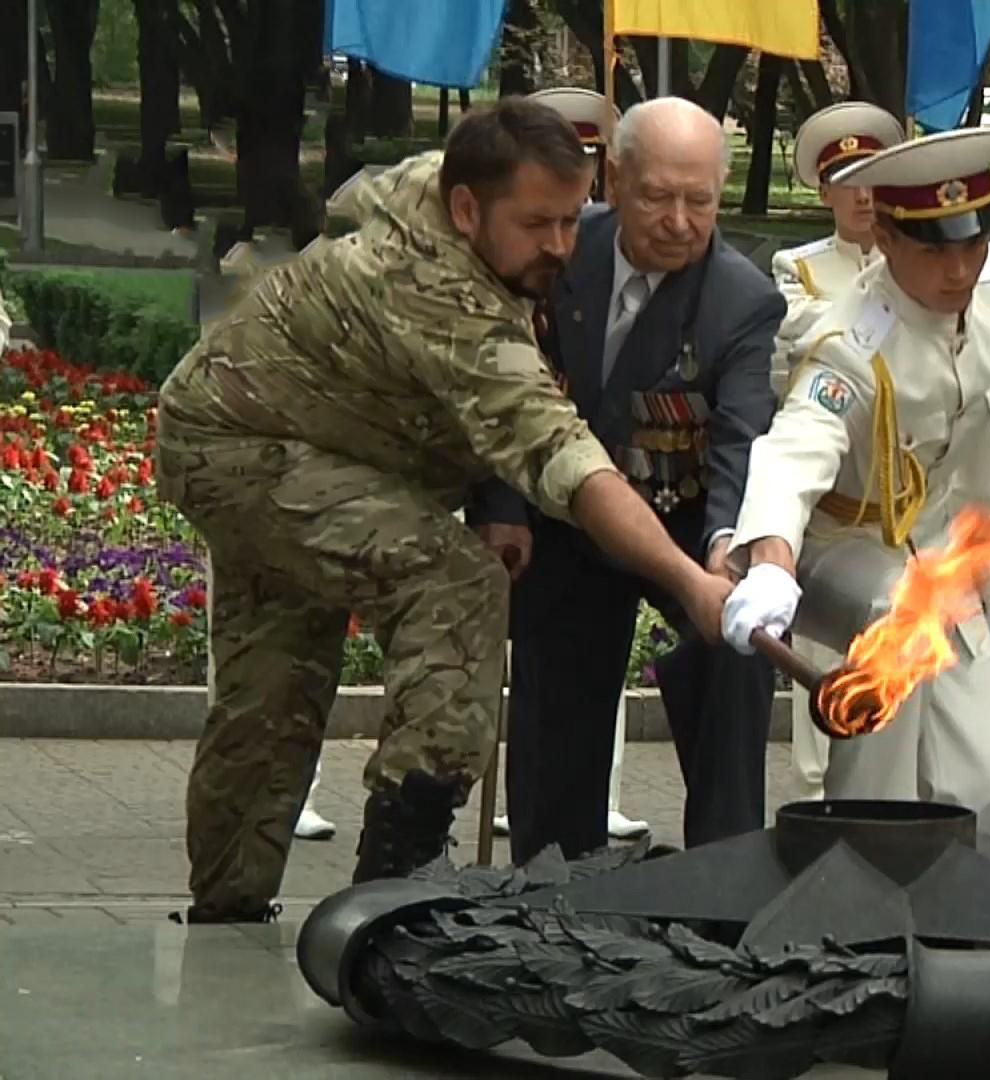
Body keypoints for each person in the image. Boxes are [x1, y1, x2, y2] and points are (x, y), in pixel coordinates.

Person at [154, 99, 735, 923]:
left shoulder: (455, 195)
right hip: (238, 446)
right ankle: (400, 871)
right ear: (468, 209)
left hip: (308, 444)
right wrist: (687, 581)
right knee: (454, 579)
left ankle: (227, 906)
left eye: (574, 220)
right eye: (539, 224)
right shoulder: (438, 289)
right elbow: (562, 454)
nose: (562, 247)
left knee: (273, 688)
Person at [466, 97, 784, 858]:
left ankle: (724, 867)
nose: (679, 220)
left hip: (683, 518)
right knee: (557, 689)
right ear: (613, 177)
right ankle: (551, 879)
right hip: (564, 522)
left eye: (699, 200)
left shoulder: (741, 301)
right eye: (657, 196)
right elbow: (497, 385)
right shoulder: (558, 248)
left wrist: (725, 549)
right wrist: (501, 506)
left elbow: (743, 437)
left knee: (739, 648)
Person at [718, 127, 990, 836]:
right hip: (840, 545)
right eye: (935, 249)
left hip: (935, 551)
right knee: (898, 617)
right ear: (887, 238)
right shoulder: (851, 344)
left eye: (973, 244)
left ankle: (958, 911)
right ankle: (858, 842)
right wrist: (769, 563)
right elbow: (794, 451)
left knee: (989, 790)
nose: (960, 271)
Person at [481, 87, 651, 846]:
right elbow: (495, 399)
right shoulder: (503, 261)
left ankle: (572, 859)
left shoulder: (602, 245)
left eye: (574, 206)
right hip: (532, 502)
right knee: (536, 704)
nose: (561, 233)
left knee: (588, 703)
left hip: (627, 503)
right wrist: (499, 508)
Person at [769, 102, 906, 801]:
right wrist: (879, 288)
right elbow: (802, 331)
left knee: (890, 648)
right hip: (827, 497)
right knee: (818, 655)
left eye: (871, 178)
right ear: (824, 193)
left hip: (894, 501)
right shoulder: (798, 265)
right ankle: (810, 792)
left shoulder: (913, 264)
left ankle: (869, 797)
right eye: (844, 179)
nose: (860, 194)